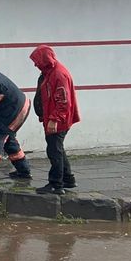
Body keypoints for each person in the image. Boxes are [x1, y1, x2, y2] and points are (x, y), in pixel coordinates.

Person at [31, 45, 79, 195]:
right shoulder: (49, 72)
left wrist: (54, 119)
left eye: (37, 61)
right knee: (58, 148)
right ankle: (68, 178)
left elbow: (63, 101)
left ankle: (56, 184)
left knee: (54, 150)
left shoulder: (58, 74)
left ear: (44, 60)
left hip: (58, 120)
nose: (35, 64)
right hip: (53, 117)